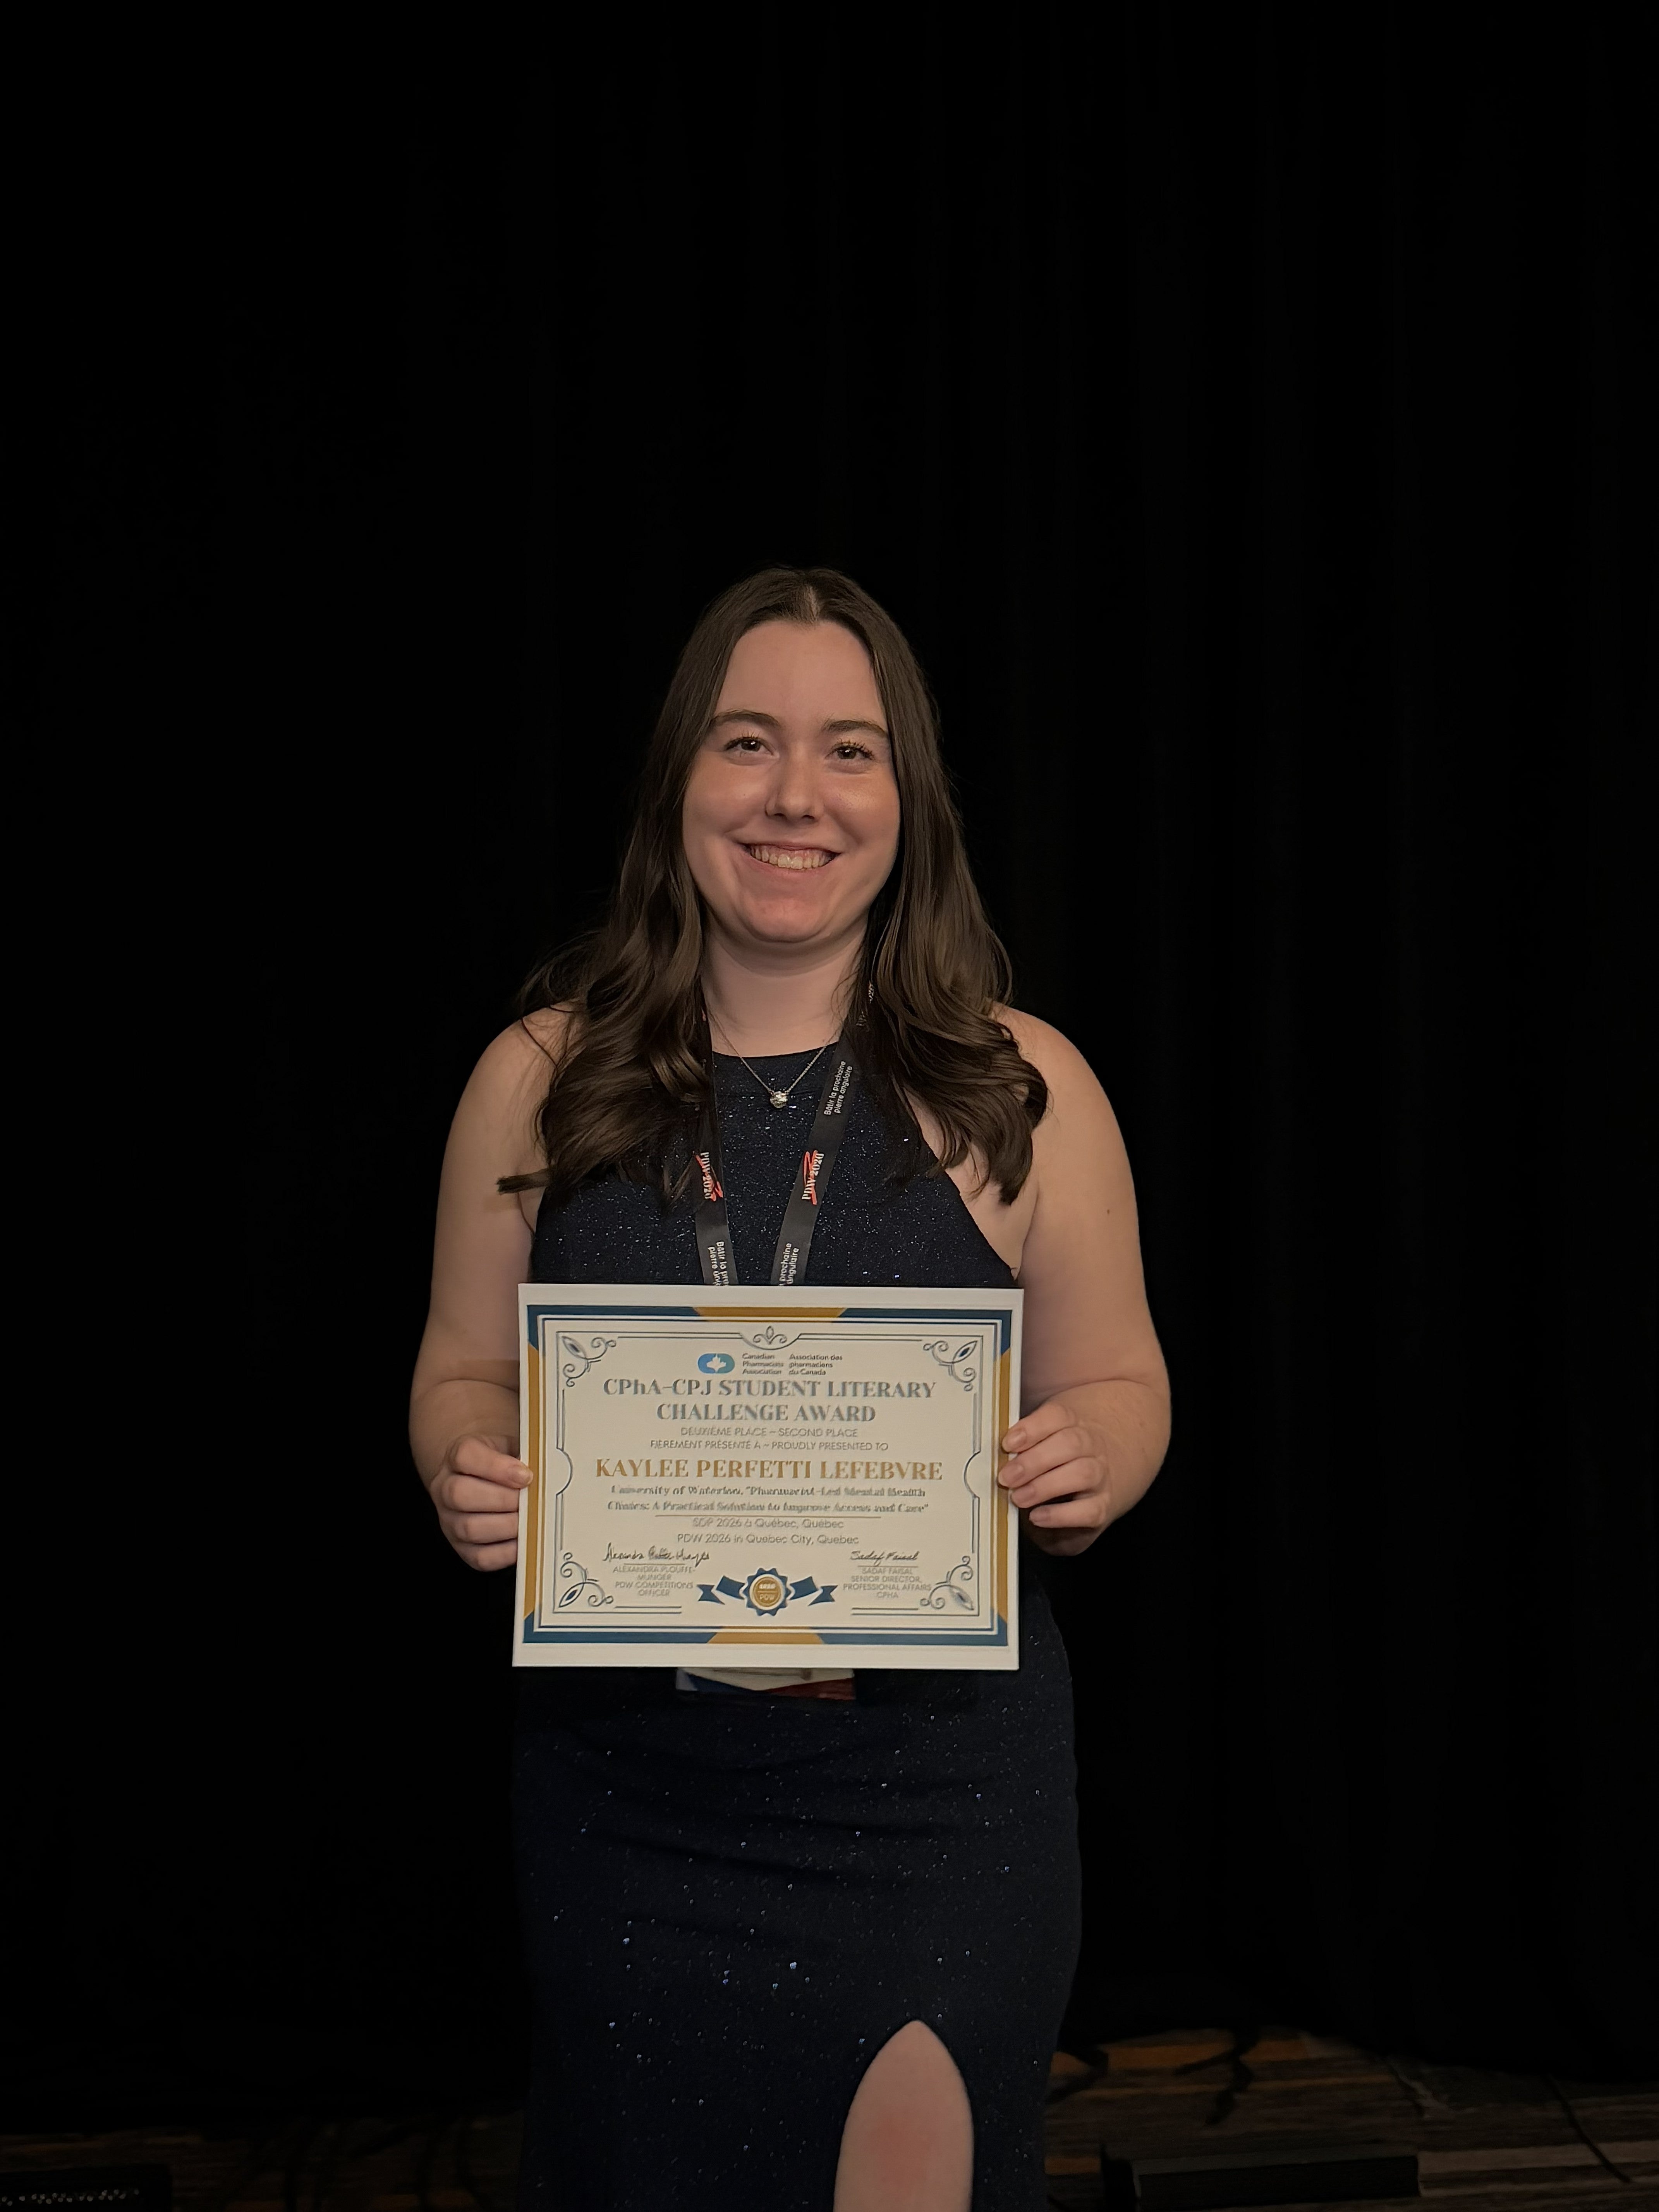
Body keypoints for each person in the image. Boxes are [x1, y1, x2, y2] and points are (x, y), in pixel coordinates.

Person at [409, 568, 1170, 2212]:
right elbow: (463, 1367)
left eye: (850, 749)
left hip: (938, 1796)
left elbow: (1122, 1376)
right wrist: (469, 1454)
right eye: (748, 742)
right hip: (628, 1786)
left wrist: (1097, 1452)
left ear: (911, 799)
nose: (795, 796)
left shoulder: (1021, 1085)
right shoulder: (536, 1077)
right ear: (682, 776)